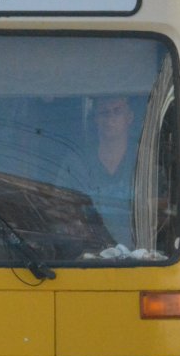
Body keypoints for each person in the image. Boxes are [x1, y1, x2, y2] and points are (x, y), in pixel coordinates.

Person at [56, 95, 140, 246]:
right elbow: (60, 207)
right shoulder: (77, 161)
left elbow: (161, 209)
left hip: (142, 253)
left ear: (129, 117)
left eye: (117, 111)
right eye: (104, 113)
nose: (110, 119)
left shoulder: (145, 159)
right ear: (95, 119)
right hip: (86, 253)